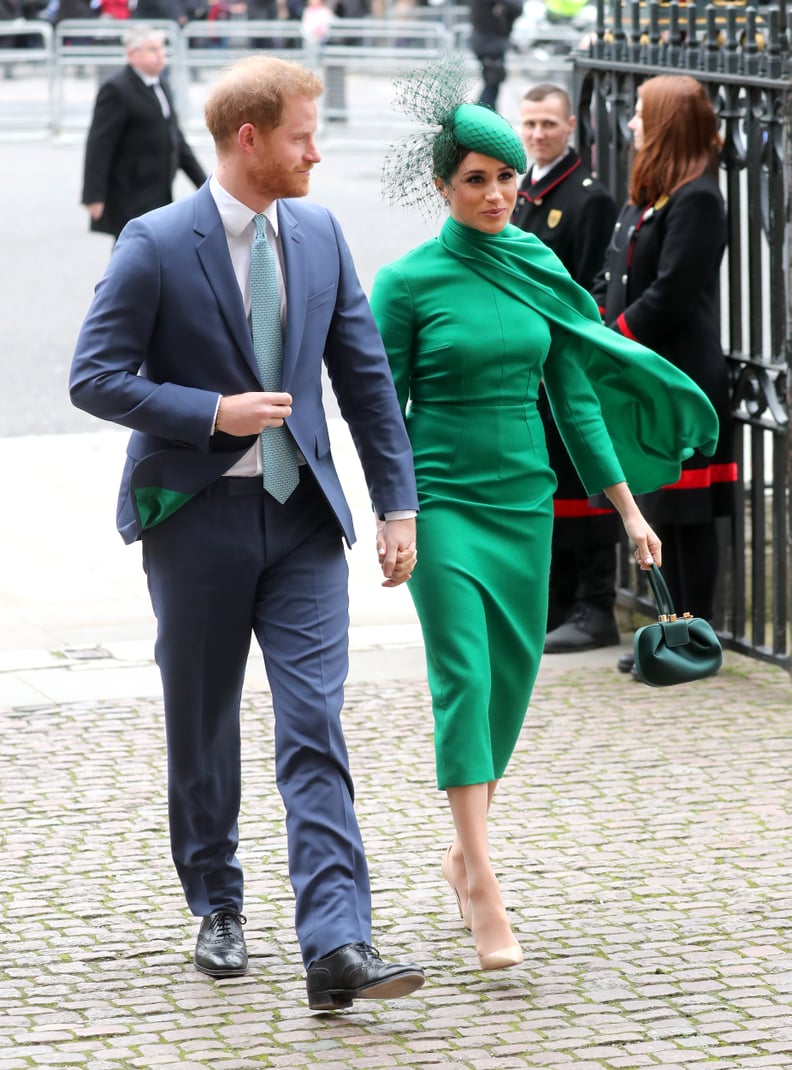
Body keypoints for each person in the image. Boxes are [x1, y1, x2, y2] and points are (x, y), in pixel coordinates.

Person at [70, 54, 425, 1012]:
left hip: (303, 519)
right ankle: (217, 902)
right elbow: (93, 377)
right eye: (305, 135)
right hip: (195, 523)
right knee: (205, 721)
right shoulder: (153, 242)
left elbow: (364, 380)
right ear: (251, 139)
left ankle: (336, 942)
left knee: (314, 724)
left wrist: (398, 504)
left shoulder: (319, 232)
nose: (319, 152)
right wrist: (211, 411)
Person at [371, 69, 719, 972]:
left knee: (511, 685)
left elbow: (574, 399)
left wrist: (630, 513)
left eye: (506, 178)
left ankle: (462, 852)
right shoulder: (407, 283)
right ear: (442, 185)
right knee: (464, 677)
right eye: (475, 180)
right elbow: (380, 411)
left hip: (525, 503)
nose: (495, 195)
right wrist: (396, 513)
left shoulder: (537, 267)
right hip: (443, 505)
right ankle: (484, 881)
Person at [590, 74, 737, 677]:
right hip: (649, 378)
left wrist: (614, 337)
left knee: (689, 516)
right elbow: (613, 275)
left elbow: (671, 293)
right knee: (661, 510)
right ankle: (667, 626)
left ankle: (692, 636)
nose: (631, 126)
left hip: (683, 378)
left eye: (642, 116)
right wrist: (594, 323)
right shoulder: (650, 195)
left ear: (668, 123)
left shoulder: (700, 198)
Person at [512, 83, 620, 654]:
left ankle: (596, 604)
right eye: (529, 124)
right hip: (530, 364)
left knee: (581, 480)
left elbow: (585, 292)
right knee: (549, 480)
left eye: (548, 124)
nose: (537, 134)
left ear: (571, 125)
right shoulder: (523, 188)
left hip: (566, 363)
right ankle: (556, 602)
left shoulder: (586, 197)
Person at [81, 24, 207, 240]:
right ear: (132, 54)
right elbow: (99, 144)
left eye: (161, 49)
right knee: (131, 253)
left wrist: (203, 183)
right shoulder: (117, 89)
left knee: (158, 252)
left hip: (159, 188)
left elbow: (175, 138)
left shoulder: (162, 85)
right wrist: (93, 195)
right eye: (152, 50)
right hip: (130, 191)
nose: (160, 55)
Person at [469, 0, 522, 112]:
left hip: (489, 43)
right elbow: (517, 7)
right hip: (489, 44)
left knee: (492, 83)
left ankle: (485, 113)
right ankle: (484, 114)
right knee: (492, 83)